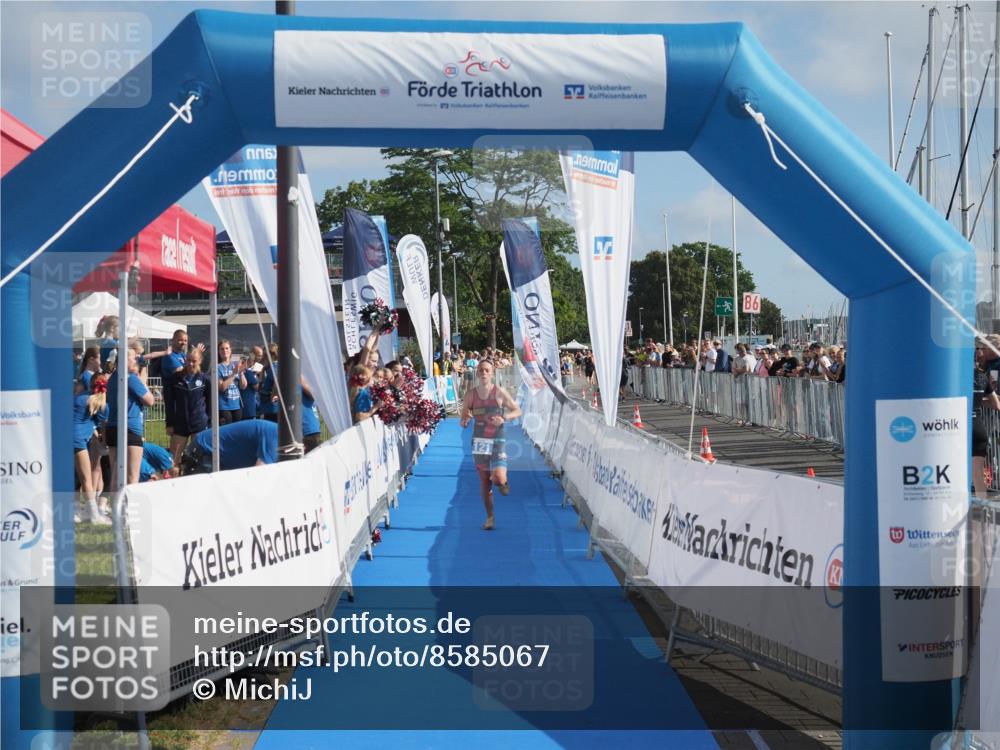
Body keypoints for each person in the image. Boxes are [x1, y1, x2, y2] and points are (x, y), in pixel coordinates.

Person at [459, 359, 522, 530]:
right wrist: (465, 420)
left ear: (492, 373)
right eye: (481, 370)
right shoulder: (471, 394)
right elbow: (464, 417)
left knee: (498, 478)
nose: (484, 373)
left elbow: (517, 410)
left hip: (497, 438)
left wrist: (504, 418)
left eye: (487, 370)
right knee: (485, 481)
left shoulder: (500, 392)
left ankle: (502, 482)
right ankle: (490, 517)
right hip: (479, 440)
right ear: (477, 373)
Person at [105, 347, 155, 490]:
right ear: (125, 359)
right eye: (133, 358)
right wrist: (142, 380)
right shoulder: (130, 378)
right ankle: (128, 509)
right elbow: (150, 401)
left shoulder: (113, 377)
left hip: (113, 427)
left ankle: (114, 508)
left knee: (115, 474)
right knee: (132, 477)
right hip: (130, 428)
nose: (136, 361)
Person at [73, 374, 110, 524]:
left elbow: (87, 420)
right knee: (86, 478)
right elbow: (103, 426)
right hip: (78, 440)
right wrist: (105, 443)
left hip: (68, 437)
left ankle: (75, 510)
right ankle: (94, 514)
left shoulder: (80, 397)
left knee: (75, 475)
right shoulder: (103, 405)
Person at [181, 419, 279, 474]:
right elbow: (259, 474)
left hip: (214, 453)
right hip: (205, 451)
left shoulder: (276, 432)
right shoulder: (275, 435)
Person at [168, 349, 210, 465]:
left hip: (199, 423)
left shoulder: (205, 379)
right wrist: (169, 424)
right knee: (173, 461)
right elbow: (170, 403)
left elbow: (211, 402)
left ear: (200, 361)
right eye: (188, 360)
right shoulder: (175, 378)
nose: (191, 363)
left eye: (194, 361)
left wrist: (208, 421)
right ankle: (173, 480)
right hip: (180, 424)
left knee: (199, 460)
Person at [217, 339, 246, 425]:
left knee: (237, 432)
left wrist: (241, 373)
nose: (224, 351)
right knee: (225, 432)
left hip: (236, 405)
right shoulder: (217, 367)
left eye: (227, 348)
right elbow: (221, 387)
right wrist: (234, 374)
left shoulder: (235, 365)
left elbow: (243, 386)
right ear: (218, 351)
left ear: (230, 350)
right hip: (224, 406)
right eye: (222, 349)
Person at [240, 345, 263, 420]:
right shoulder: (246, 371)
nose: (260, 358)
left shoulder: (260, 367)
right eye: (258, 355)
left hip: (256, 407)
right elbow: (257, 387)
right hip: (248, 408)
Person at [302, 378, 322, 453]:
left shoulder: (301, 380)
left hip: (309, 430)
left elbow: (314, 395)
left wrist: (300, 379)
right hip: (303, 430)